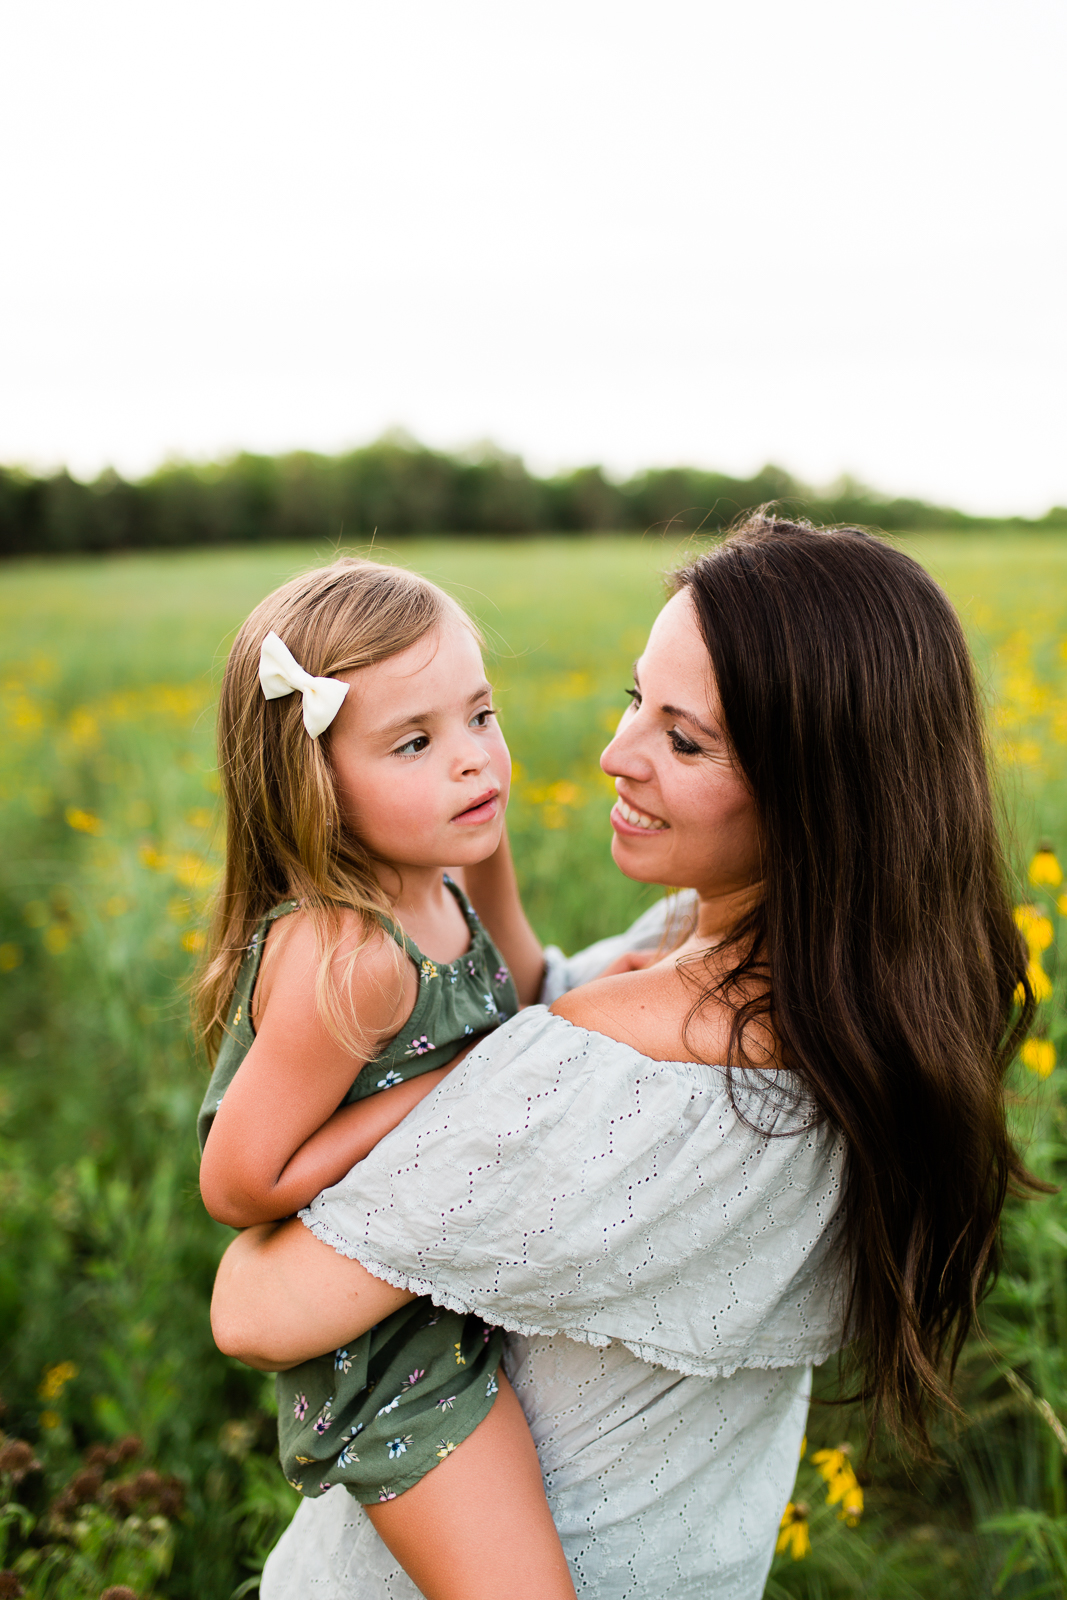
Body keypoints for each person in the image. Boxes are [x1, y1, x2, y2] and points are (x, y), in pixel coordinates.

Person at [210, 517, 1037, 1599]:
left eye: (683, 740)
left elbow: (252, 1308)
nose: (616, 753)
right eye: (631, 697)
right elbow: (535, 990)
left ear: (818, 794)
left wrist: (467, 1073)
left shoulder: (626, 1065)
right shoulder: (873, 1006)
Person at [195, 558, 576, 1600]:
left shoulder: (453, 859)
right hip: (393, 1357)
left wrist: (616, 983)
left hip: (450, 1266)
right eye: (414, 742)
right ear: (316, 783)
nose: (474, 763)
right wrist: (433, 1101)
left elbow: (520, 981)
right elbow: (235, 1184)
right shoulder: (351, 961)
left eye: (481, 716)